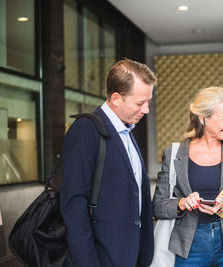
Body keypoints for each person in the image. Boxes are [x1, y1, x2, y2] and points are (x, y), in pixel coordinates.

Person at [60, 58, 157, 267]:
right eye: (140, 103)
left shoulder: (127, 130)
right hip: (102, 258)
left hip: (131, 256)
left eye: (148, 102)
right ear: (116, 98)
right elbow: (74, 204)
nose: (146, 110)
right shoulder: (85, 130)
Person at [153, 87, 223, 267]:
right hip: (189, 245)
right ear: (203, 118)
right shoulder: (174, 154)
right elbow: (158, 206)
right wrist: (182, 203)